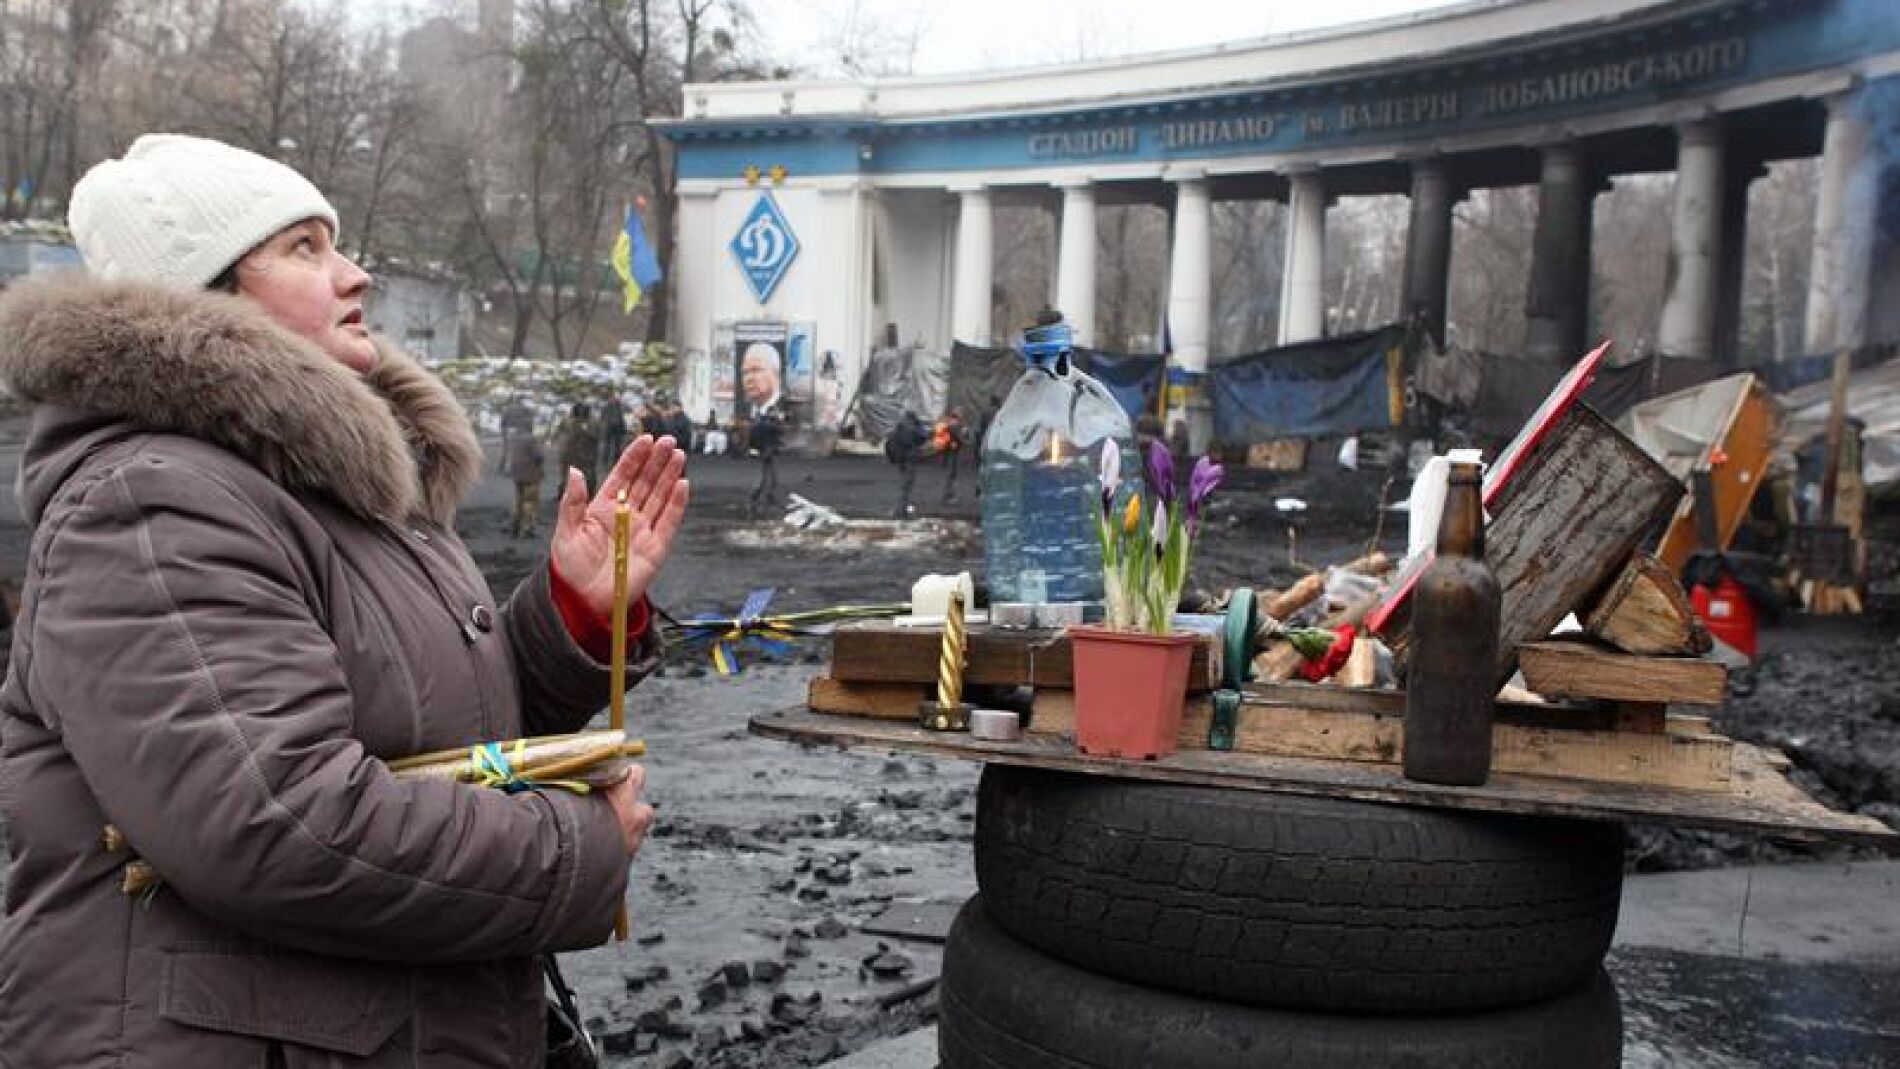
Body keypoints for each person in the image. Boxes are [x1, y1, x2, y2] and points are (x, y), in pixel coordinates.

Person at [0, 133, 691, 1067]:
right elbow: (280, 820)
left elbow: (430, 738)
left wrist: (570, 611)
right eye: (305, 248)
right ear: (204, 300)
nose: (356, 274)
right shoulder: (150, 506)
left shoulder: (332, 487)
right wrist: (579, 846)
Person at [508, 416, 548, 538]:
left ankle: (515, 524)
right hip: (531, 475)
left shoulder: (514, 438)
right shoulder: (530, 439)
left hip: (517, 474)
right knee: (530, 501)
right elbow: (539, 456)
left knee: (518, 500)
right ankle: (527, 528)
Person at [886, 410, 931, 518]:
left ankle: (901, 509)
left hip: (901, 459)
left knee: (904, 485)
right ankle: (900, 510)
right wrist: (919, 424)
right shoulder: (913, 428)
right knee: (907, 486)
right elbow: (924, 436)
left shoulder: (899, 427)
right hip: (910, 458)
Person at [747, 401, 785, 518]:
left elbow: (753, 439)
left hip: (762, 452)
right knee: (766, 478)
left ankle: (766, 496)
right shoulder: (769, 426)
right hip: (766, 452)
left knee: (769, 477)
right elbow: (779, 432)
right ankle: (758, 498)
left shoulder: (759, 425)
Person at [560, 400, 602, 500]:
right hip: (573, 454)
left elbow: (596, 436)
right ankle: (569, 495)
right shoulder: (569, 421)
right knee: (571, 477)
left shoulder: (593, 422)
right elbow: (565, 435)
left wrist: (585, 430)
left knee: (588, 478)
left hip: (586, 454)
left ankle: (588, 496)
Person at [934, 406, 968, 504]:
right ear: (959, 415)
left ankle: (946, 497)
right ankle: (950, 497)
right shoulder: (955, 426)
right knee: (952, 476)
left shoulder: (948, 423)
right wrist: (965, 437)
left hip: (947, 453)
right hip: (953, 454)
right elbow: (961, 439)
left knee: (949, 476)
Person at [740, 341, 783, 414]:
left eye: (756, 370)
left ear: (775, 373)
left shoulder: (792, 410)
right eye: (745, 373)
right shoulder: (740, 413)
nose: (748, 378)